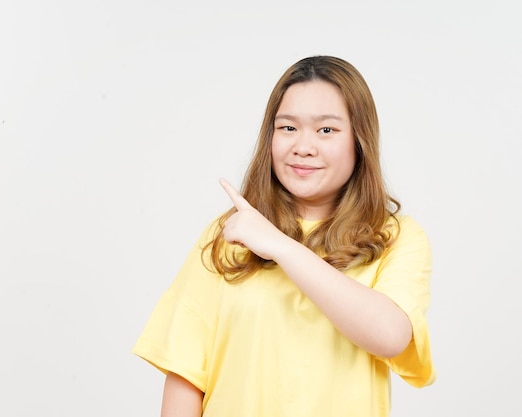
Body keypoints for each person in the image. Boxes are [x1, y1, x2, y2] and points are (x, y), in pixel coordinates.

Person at [132, 55, 435, 417]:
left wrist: (278, 245)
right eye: (288, 128)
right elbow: (185, 375)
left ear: (360, 141)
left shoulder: (396, 238)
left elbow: (389, 335)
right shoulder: (228, 235)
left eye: (327, 130)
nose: (303, 146)